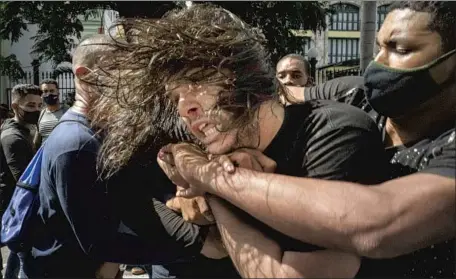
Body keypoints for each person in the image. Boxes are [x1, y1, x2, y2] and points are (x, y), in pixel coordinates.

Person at [96, 4, 392, 278]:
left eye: (197, 80)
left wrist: (213, 186)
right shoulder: (214, 145)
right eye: (176, 97)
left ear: (243, 71)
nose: (185, 108)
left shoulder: (332, 132)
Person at [163, 1, 456, 278]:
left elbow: (374, 224)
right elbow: (267, 97)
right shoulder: (354, 94)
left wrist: (212, 179)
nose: (377, 63)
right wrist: (189, 149)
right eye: (379, 46)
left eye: (400, 48)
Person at [23, 34, 225, 278]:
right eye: (121, 68)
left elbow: (129, 200)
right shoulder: (76, 144)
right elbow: (98, 242)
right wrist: (200, 244)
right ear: (86, 75)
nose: (132, 78)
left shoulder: (100, 131)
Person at [0, 84, 42, 279]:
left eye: (39, 105)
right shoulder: (13, 137)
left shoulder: (25, 130)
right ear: (16, 106)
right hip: (15, 205)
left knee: (17, 255)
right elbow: (23, 180)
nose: (37, 110)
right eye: (31, 106)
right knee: (27, 259)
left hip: (17, 203)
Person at [34, 79, 69, 148]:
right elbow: (37, 141)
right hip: (45, 155)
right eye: (45, 91)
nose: (49, 94)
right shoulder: (41, 114)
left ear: (58, 92)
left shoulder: (67, 112)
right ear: (42, 95)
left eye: (52, 91)